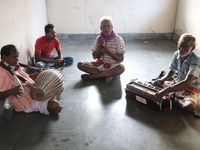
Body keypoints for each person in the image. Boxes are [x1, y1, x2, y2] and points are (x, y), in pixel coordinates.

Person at [0, 44, 63, 115]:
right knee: (54, 105)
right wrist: (10, 92)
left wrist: (40, 73)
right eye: (14, 57)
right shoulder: (2, 73)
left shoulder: (13, 65)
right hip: (26, 103)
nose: (17, 59)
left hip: (33, 91)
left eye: (17, 56)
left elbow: (26, 78)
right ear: (4, 57)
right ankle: (50, 102)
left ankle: (48, 101)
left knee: (59, 86)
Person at [153, 33, 200, 116]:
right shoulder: (177, 54)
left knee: (189, 106)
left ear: (193, 48)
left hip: (191, 88)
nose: (181, 49)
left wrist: (166, 90)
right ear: (178, 43)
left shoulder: (196, 59)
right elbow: (171, 72)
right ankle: (173, 97)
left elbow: (187, 82)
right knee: (154, 84)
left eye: (186, 47)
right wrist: (163, 79)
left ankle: (173, 98)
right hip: (177, 83)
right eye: (180, 45)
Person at [77, 16, 126, 83]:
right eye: (104, 27)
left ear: (112, 26)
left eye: (108, 26)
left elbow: (121, 59)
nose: (106, 28)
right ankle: (106, 75)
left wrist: (108, 52)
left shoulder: (118, 40)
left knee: (121, 68)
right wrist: (98, 51)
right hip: (99, 64)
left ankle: (93, 76)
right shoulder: (99, 39)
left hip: (112, 66)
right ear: (101, 28)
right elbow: (94, 57)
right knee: (80, 64)